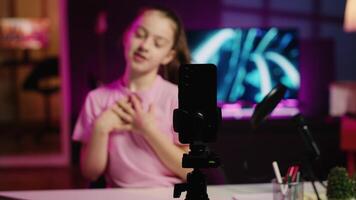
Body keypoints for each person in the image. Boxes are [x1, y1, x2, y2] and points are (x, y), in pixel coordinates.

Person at [72, 6, 192, 188]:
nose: (144, 46)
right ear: (127, 36)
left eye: (158, 43)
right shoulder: (96, 99)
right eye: (140, 34)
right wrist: (101, 128)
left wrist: (148, 130)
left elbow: (190, 170)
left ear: (168, 56)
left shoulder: (178, 98)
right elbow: (90, 172)